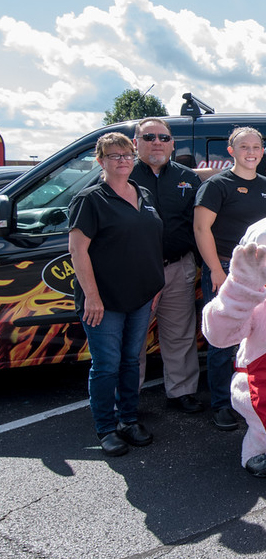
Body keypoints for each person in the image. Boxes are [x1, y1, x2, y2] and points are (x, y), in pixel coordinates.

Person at [69, 132, 164, 456]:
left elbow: (150, 243)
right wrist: (92, 297)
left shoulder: (143, 192)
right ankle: (106, 428)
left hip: (140, 297)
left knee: (129, 362)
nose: (122, 160)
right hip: (104, 301)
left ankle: (127, 419)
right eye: (114, 155)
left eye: (127, 154)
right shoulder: (90, 200)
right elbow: (78, 252)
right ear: (101, 161)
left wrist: (155, 288)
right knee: (106, 365)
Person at [194, 126, 266, 431]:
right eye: (244, 147)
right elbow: (202, 230)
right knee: (222, 339)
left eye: (256, 147)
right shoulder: (217, 186)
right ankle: (221, 404)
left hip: (258, 272)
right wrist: (216, 270)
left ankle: (252, 399)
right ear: (231, 151)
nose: (251, 152)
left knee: (255, 336)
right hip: (226, 270)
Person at [128, 118, 205, 414]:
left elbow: (198, 225)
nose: (157, 142)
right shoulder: (124, 175)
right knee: (133, 336)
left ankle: (181, 391)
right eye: (149, 136)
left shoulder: (187, 178)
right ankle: (128, 398)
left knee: (180, 333)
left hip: (178, 267)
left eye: (163, 137)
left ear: (172, 143)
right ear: (137, 142)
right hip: (134, 272)